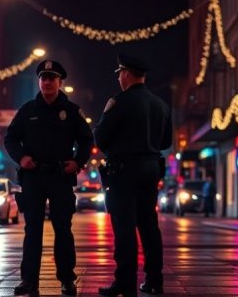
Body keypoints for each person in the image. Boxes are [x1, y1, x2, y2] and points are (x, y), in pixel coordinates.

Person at [4, 59, 93, 296]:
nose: (47, 82)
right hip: (33, 176)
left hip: (60, 176)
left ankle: (67, 279)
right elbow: (10, 138)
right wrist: (21, 157)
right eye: (43, 78)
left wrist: (78, 161)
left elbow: (86, 139)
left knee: (63, 229)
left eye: (51, 78)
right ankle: (29, 280)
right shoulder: (27, 110)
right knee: (33, 230)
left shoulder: (72, 112)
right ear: (39, 82)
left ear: (60, 82)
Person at [94, 54, 172, 297]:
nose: (118, 78)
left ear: (126, 73)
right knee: (149, 226)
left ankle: (125, 282)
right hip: (150, 169)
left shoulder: (120, 102)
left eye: (120, 73)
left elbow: (101, 139)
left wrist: (106, 114)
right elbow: (166, 141)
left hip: (124, 171)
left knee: (124, 228)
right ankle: (154, 280)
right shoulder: (160, 104)